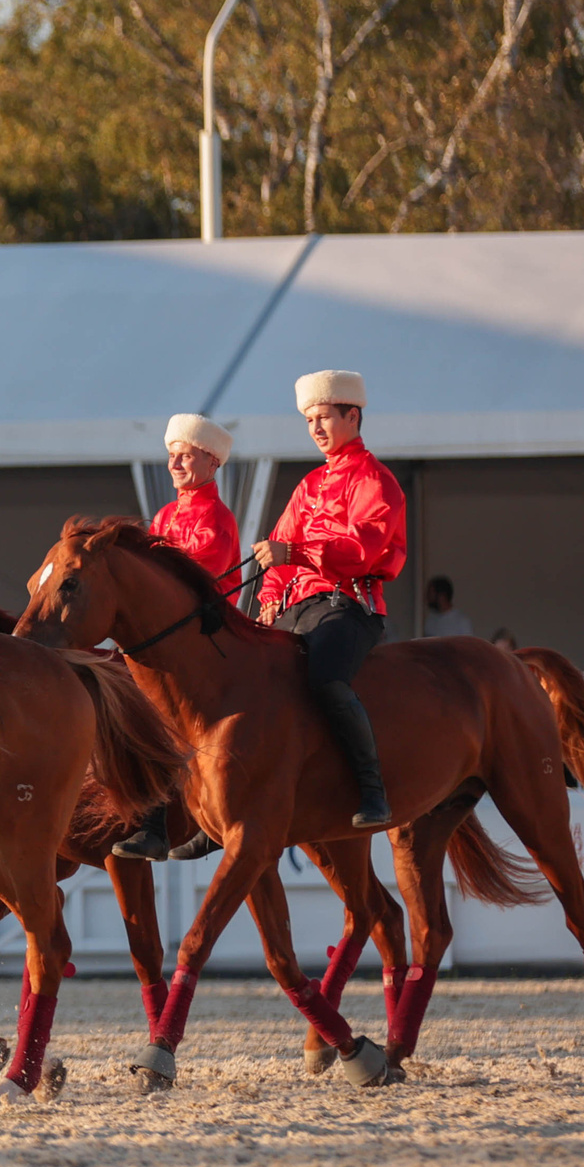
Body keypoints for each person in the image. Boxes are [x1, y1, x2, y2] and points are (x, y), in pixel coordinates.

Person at [253, 369, 405, 831]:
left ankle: (372, 789)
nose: (315, 428)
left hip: (350, 605)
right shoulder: (309, 483)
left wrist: (293, 554)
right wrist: (270, 595)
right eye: (309, 421)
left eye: (323, 417)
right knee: (245, 679)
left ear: (352, 416)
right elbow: (279, 545)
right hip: (298, 607)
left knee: (324, 679)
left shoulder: (375, 479)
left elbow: (362, 551)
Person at [112, 412, 239, 862]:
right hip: (167, 640)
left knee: (165, 721)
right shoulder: (165, 515)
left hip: (206, 636)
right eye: (171, 455)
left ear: (211, 462)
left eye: (184, 455)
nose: (175, 464)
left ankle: (165, 824)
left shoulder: (218, 517)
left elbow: (196, 577)